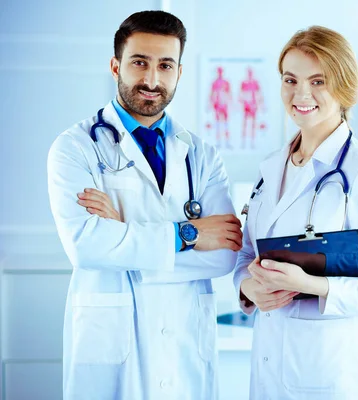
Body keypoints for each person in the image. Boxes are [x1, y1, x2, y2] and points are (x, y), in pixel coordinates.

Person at [47, 11, 242, 400]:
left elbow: (224, 256)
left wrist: (123, 234)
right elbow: (86, 246)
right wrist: (188, 234)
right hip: (111, 350)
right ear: (116, 65)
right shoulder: (75, 147)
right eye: (140, 63)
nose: (152, 80)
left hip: (185, 348)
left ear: (179, 73)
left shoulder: (201, 155)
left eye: (165, 65)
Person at [233, 26, 358, 399]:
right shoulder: (271, 170)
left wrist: (312, 286)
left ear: (345, 87)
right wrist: (249, 289)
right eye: (290, 79)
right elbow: (248, 257)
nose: (301, 94)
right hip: (269, 371)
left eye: (318, 81)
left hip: (333, 377)